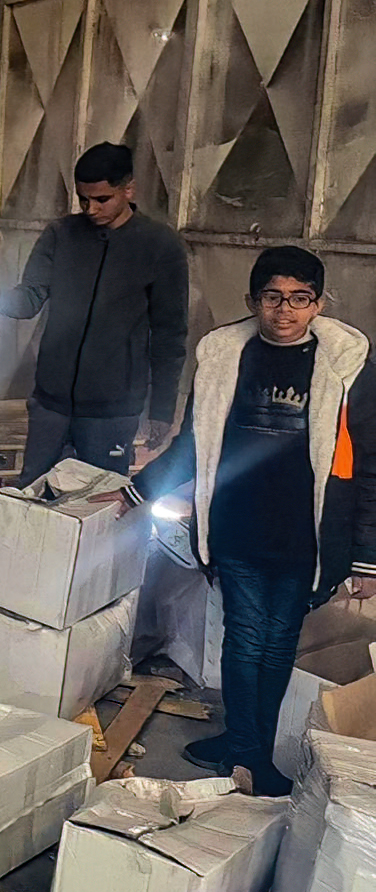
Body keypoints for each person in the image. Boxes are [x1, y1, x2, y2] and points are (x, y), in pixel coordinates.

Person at [118, 246, 376, 795]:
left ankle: (246, 749)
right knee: (242, 638)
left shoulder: (350, 370)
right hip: (236, 522)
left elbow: (370, 467)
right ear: (253, 301)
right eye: (273, 298)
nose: (286, 311)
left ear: (319, 303)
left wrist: (366, 556)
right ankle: (244, 747)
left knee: (275, 640)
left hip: (305, 534)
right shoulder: (223, 359)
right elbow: (193, 443)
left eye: (299, 299)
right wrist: (136, 491)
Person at [0, 142, 189, 484]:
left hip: (113, 412)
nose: (90, 209)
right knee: (33, 497)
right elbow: (31, 297)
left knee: (98, 506)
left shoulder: (160, 246)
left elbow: (170, 335)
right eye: (83, 199)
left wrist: (162, 410)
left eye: (102, 199)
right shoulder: (60, 235)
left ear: (128, 189)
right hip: (51, 406)